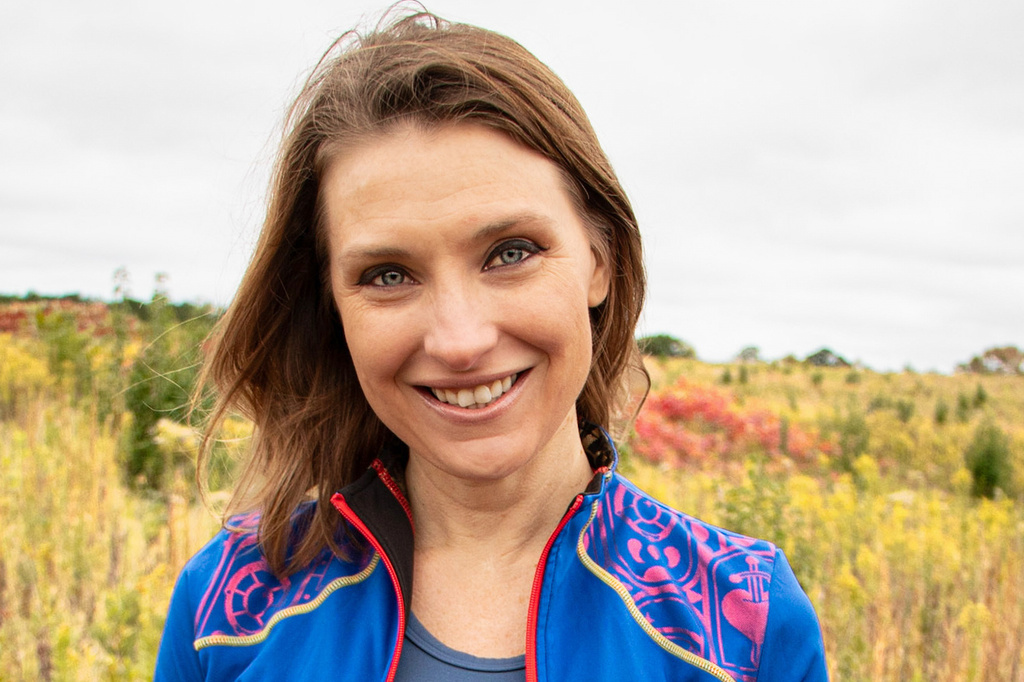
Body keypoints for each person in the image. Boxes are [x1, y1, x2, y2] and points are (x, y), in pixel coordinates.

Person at [155, 8, 828, 682]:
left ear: (601, 260)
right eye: (388, 275)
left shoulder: (749, 626)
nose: (460, 340)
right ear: (330, 306)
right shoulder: (224, 611)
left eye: (510, 252)